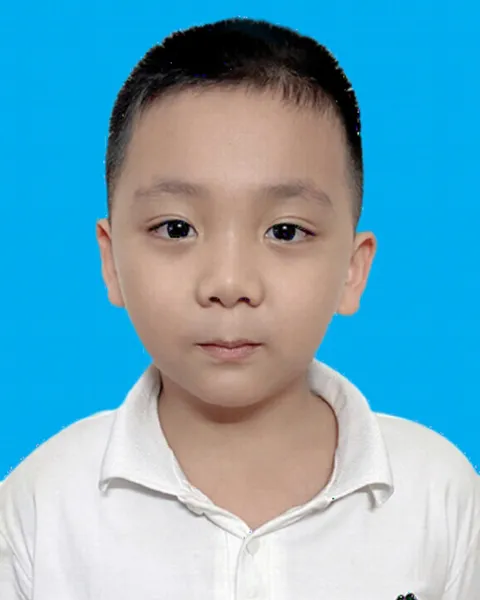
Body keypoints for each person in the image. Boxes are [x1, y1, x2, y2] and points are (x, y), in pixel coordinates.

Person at [0, 17, 478, 600]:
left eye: (285, 230)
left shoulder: (439, 496)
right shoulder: (41, 506)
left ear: (353, 270)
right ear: (111, 261)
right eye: (176, 228)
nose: (229, 283)